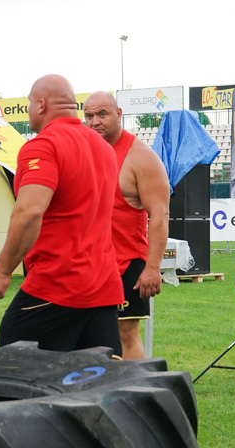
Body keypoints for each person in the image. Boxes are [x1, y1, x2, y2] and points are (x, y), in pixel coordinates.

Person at [0, 74, 124, 355]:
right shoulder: (104, 149)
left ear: (41, 105)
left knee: (12, 373)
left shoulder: (42, 146)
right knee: (97, 385)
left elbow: (29, 212)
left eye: (28, 104)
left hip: (57, 284)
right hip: (104, 287)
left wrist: (1, 271)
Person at [84, 91, 170, 359]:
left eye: (102, 114)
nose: (95, 121)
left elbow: (160, 214)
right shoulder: (84, 150)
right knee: (86, 336)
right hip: (86, 263)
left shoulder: (141, 157)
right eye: (89, 115)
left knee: (125, 335)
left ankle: (136, 396)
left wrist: (153, 268)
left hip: (124, 264)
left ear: (119, 114)